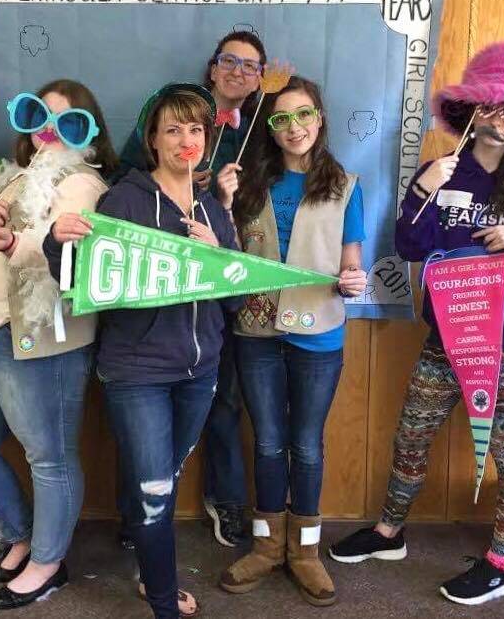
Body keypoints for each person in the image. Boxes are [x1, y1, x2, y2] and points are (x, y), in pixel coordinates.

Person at [328, 41, 504, 606]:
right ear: (471, 110)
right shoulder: (440, 172)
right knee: (411, 434)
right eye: (491, 106)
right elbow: (410, 247)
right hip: (446, 338)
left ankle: (501, 563)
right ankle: (389, 533)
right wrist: (422, 189)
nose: (502, 118)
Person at [48, 83, 238, 618]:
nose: (186, 139)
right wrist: (55, 241)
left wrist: (220, 258)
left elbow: (235, 298)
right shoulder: (125, 200)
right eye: (173, 129)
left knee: (164, 474)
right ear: (152, 139)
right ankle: (162, 600)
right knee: (157, 490)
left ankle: (141, 543)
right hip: (137, 373)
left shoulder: (214, 211)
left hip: (200, 370)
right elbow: (77, 281)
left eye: (196, 129)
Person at [0, 79, 116, 610]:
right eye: (40, 117)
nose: (51, 131)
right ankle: (22, 532)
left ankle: (48, 561)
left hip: (40, 339)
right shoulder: (13, 178)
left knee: (49, 456)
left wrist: (11, 239)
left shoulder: (83, 184)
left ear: (88, 133)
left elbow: (65, 243)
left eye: (68, 122)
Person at [116, 30, 268, 547]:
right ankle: (141, 528)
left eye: (251, 66)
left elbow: (237, 274)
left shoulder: (262, 134)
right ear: (212, 67)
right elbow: (120, 190)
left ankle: (220, 503)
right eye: (230, 61)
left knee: (222, 403)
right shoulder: (164, 129)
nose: (239, 72)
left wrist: (221, 205)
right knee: (147, 448)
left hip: (217, 291)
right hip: (148, 328)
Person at [219, 76, 366, 607]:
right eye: (281, 119)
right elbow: (227, 260)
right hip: (255, 331)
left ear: (319, 119)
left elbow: (353, 263)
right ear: (270, 129)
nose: (294, 128)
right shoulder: (249, 183)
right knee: (265, 440)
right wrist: (222, 201)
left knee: (305, 443)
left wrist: (356, 280)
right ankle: (265, 546)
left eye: (303, 115)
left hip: (318, 333)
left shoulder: (346, 184)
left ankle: (305, 552)